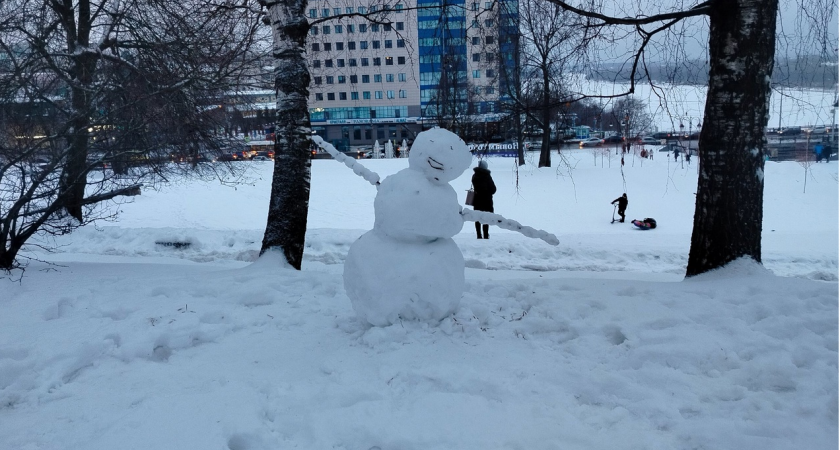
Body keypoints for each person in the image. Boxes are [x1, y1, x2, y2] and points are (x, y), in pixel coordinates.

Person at [471, 159, 496, 239]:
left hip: (477, 200)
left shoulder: (474, 176)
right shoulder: (487, 176)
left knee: (477, 217)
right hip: (486, 201)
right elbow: (493, 189)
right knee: (486, 217)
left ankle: (478, 235)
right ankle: (485, 235)